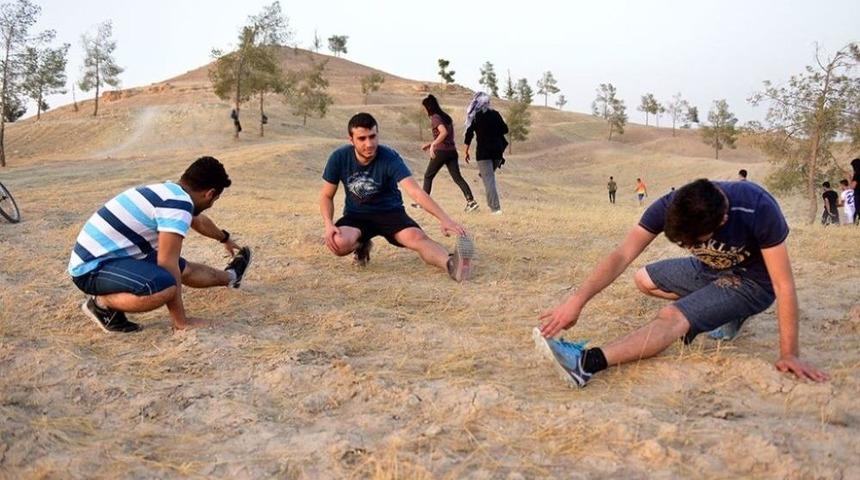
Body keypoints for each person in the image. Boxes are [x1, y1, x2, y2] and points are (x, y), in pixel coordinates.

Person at [534, 178, 828, 387]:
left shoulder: (757, 208)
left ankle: (585, 364)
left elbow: (783, 285)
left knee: (673, 316)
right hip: (708, 270)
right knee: (643, 279)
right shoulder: (671, 204)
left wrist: (789, 353)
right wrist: (577, 301)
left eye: (692, 241)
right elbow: (623, 254)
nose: (687, 245)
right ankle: (726, 312)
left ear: (721, 221)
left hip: (751, 283)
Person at [68, 156, 252, 333]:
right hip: (90, 268)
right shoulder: (177, 205)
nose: (211, 204)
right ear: (210, 193)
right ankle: (101, 305)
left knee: (182, 269)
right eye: (214, 199)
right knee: (165, 286)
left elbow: (198, 221)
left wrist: (224, 238)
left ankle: (232, 277)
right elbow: (167, 263)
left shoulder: (170, 192)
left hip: (111, 257)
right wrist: (181, 321)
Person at [320, 113, 475, 281]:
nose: (369, 144)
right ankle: (362, 245)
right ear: (351, 140)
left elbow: (415, 191)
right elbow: (326, 196)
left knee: (418, 238)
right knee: (338, 242)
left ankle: (452, 264)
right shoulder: (339, 158)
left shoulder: (389, 157)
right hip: (357, 216)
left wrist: (444, 219)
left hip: (390, 213)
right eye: (362, 139)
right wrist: (328, 224)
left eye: (373, 136)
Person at [418, 95, 478, 212]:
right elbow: (446, 137)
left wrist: (434, 146)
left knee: (428, 176)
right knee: (457, 178)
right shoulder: (445, 117)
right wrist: (431, 144)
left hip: (441, 152)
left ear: (428, 107)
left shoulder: (435, 117)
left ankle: (423, 203)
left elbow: (443, 132)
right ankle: (471, 202)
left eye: (425, 107)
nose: (424, 110)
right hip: (451, 152)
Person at [463, 92, 508, 215]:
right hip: (498, 153)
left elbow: (469, 134)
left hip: (484, 154)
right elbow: (505, 129)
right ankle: (484, 174)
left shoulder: (475, 117)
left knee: (489, 180)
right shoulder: (496, 114)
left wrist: (466, 151)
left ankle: (495, 209)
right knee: (489, 178)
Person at [851, 158, 860, 225]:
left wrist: (849, 178)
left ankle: (855, 225)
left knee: (857, 211)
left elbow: (853, 186)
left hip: (858, 194)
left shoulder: (857, 174)